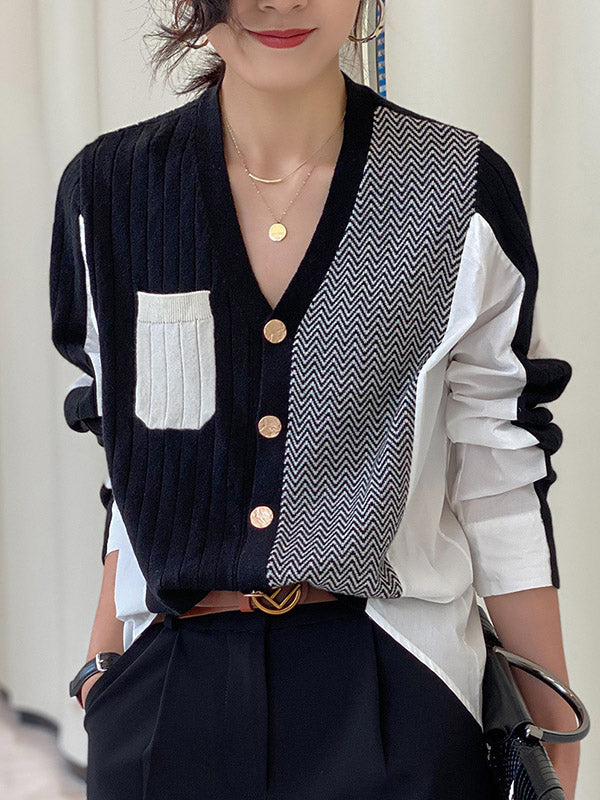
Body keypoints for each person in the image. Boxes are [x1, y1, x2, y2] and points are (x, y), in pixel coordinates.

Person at [49, 1, 578, 799]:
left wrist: (552, 734)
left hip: (395, 695)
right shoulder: (111, 192)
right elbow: (129, 454)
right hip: (168, 699)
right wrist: (103, 668)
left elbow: (498, 471)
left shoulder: (456, 188)